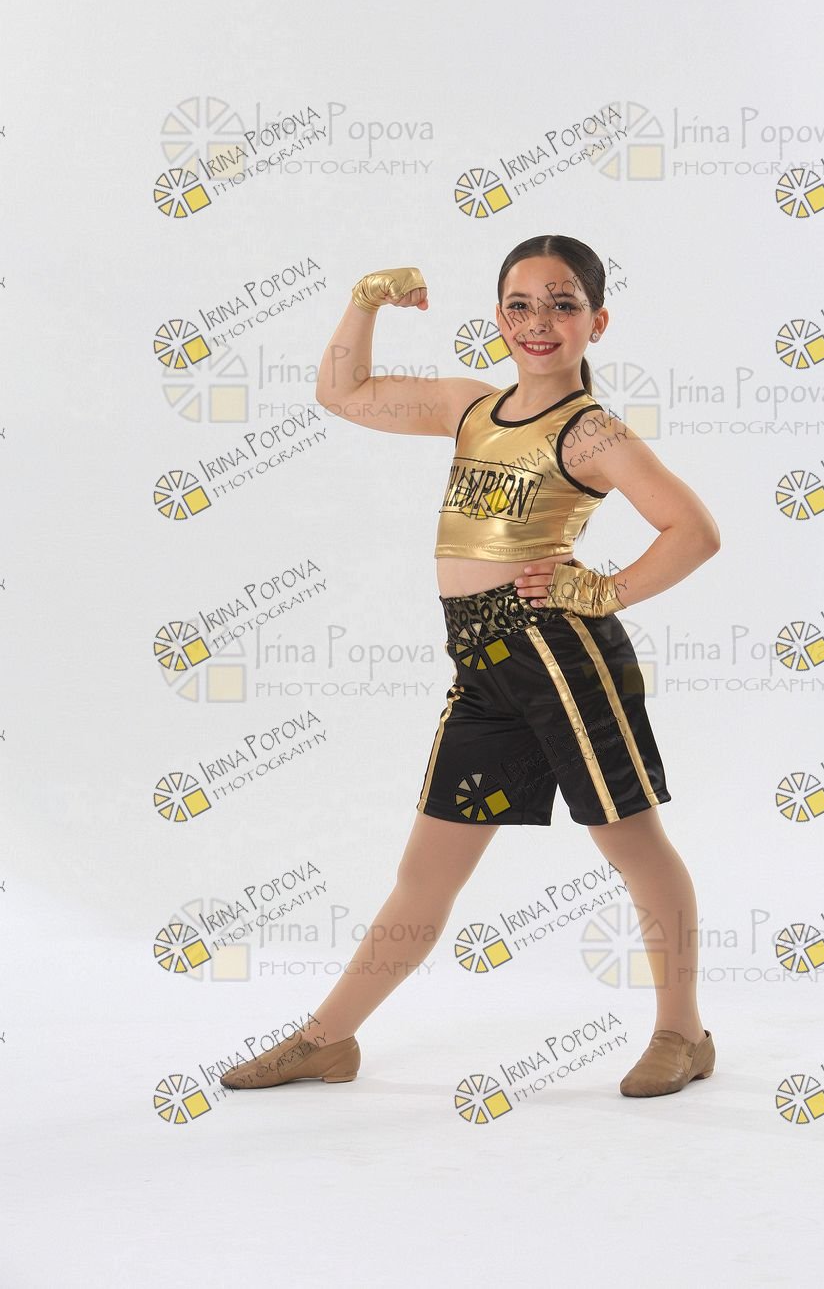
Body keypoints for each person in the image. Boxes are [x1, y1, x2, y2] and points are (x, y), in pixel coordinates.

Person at [221, 233, 721, 1099]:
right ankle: (326, 1041)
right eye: (520, 305)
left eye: (562, 304)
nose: (539, 322)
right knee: (425, 872)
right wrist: (365, 301)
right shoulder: (469, 408)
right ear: (497, 318)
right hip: (483, 668)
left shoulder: (592, 432)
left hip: (560, 658)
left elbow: (695, 530)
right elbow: (342, 392)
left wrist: (606, 590)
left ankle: (683, 1033)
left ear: (596, 322)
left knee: (633, 846)